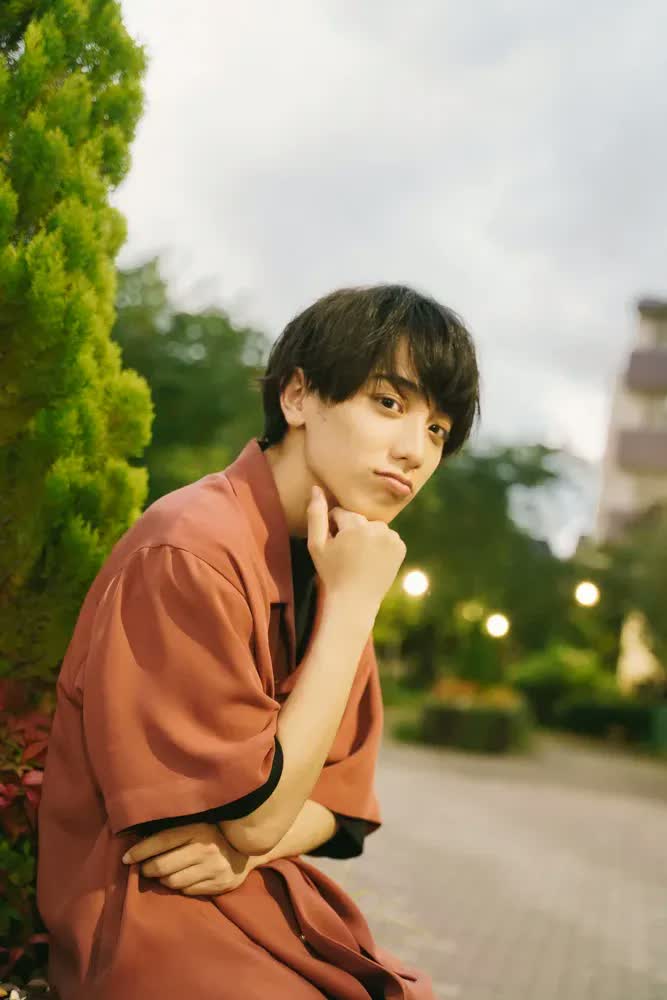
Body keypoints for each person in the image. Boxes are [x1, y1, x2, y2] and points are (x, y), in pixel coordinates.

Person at [36, 284, 480, 999]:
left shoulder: (335, 560)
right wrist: (353, 608)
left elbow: (340, 802)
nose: (412, 451)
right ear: (297, 396)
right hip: (148, 923)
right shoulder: (191, 549)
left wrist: (247, 847)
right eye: (388, 403)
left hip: (245, 901)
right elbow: (259, 811)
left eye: (436, 429)